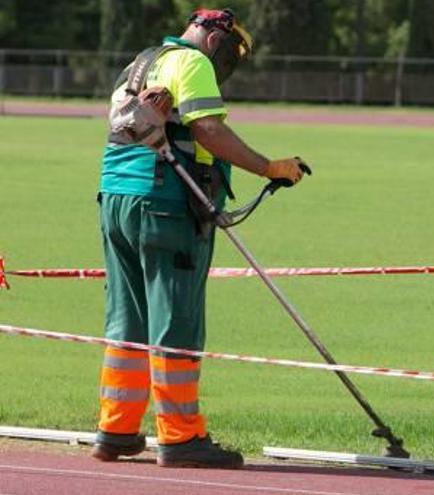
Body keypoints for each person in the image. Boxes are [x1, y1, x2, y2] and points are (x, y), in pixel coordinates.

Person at [92, 8, 307, 469]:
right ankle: (181, 437)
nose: (224, 65)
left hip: (116, 199)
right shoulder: (192, 63)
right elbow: (208, 128)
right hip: (165, 204)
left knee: (128, 319)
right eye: (228, 54)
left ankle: (116, 429)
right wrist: (270, 167)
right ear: (214, 40)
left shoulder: (142, 61)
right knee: (176, 318)